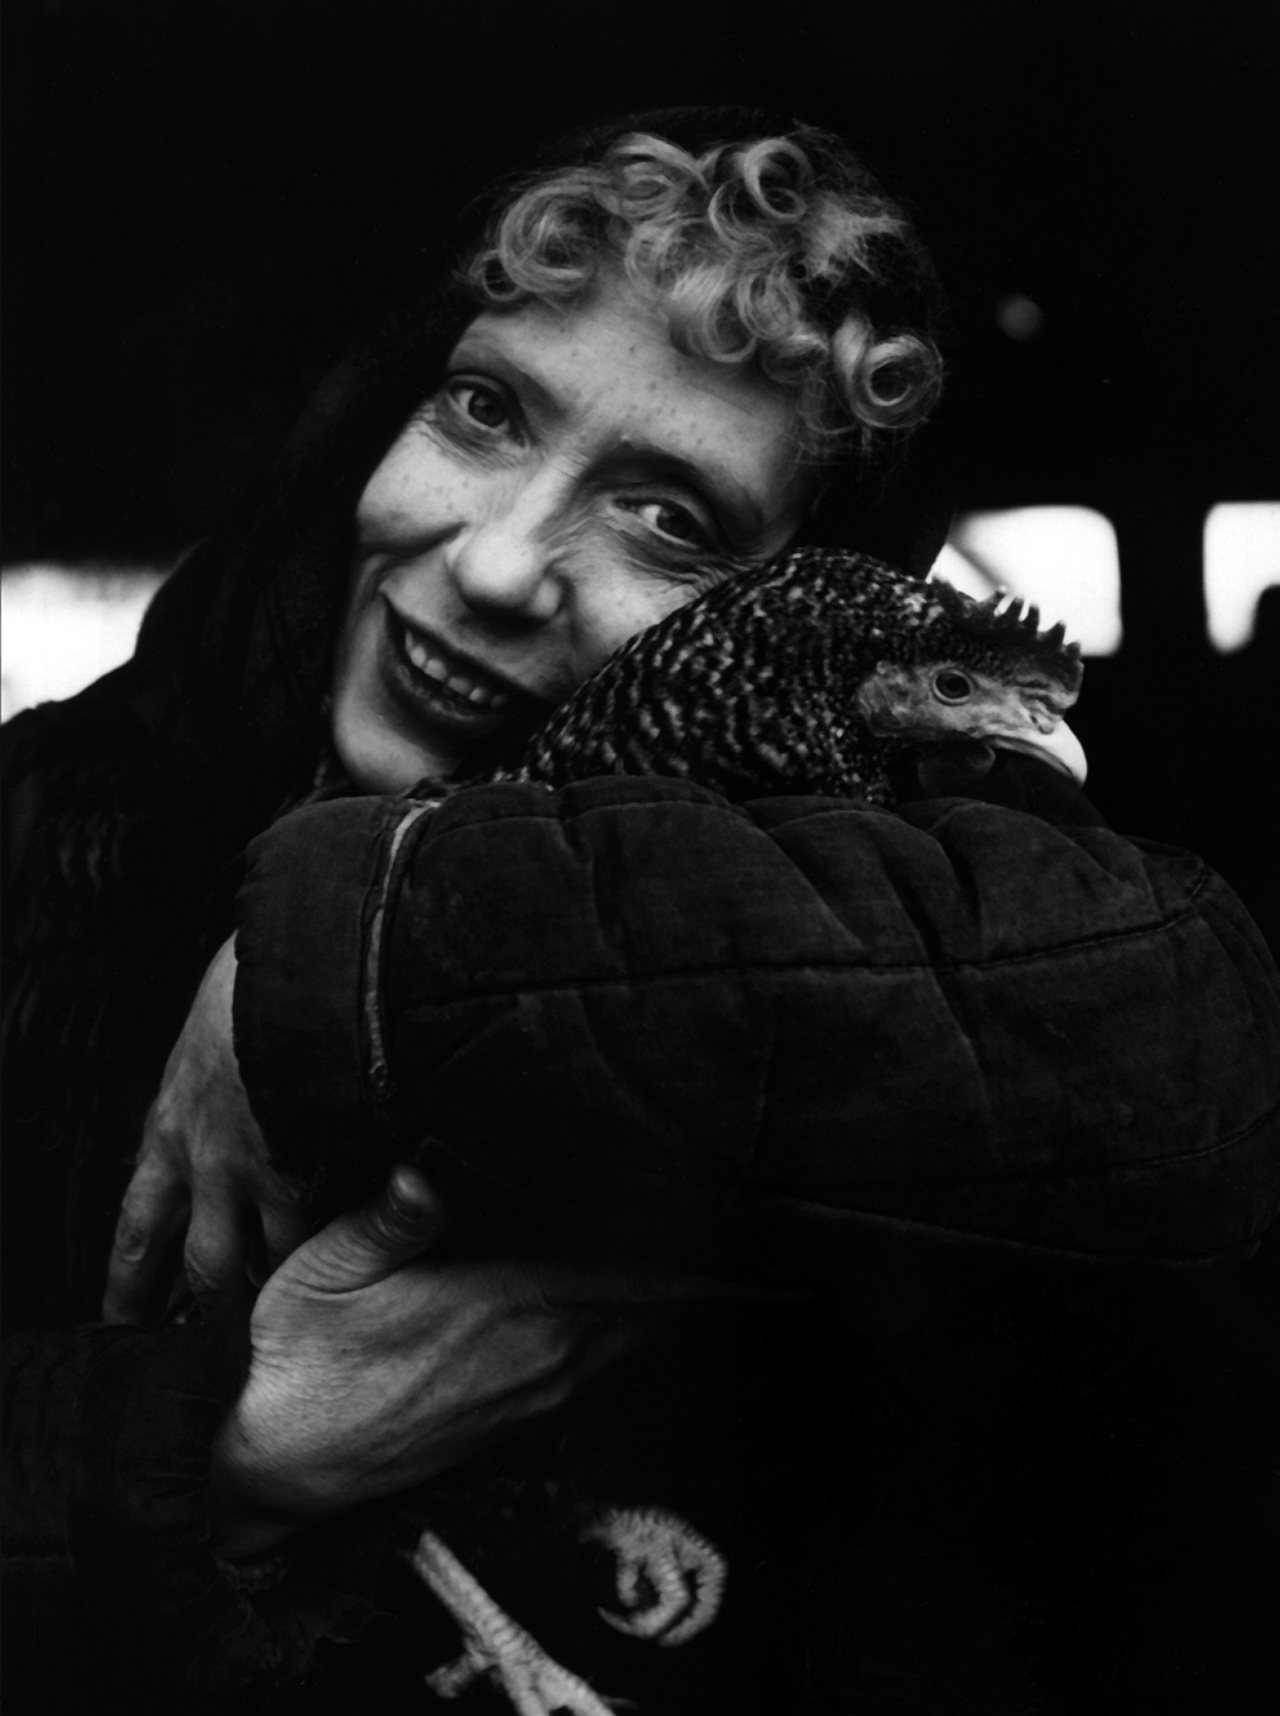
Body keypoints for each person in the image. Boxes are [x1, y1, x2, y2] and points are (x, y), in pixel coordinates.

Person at [3, 107, 1278, 1715]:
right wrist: (243, 1456)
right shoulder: (37, 823)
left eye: (670, 519)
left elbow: (1180, 1050)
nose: (496, 567)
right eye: (483, 408)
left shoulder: (879, 898)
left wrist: (355, 928)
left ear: (794, 620)